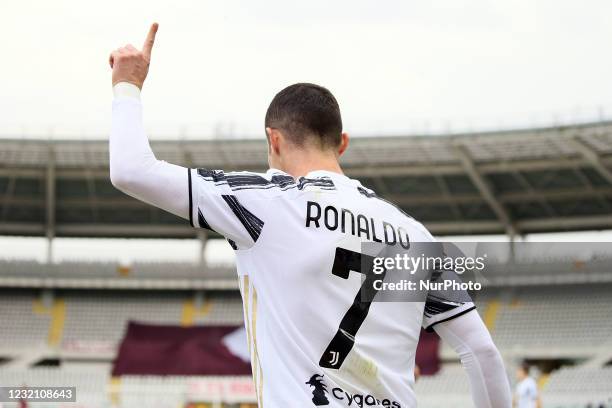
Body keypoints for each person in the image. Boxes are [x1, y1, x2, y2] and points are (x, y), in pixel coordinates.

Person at [108, 23, 512, 408]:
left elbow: (131, 171)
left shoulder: (267, 203)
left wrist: (127, 84)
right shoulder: (413, 234)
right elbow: (481, 352)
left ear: (275, 140)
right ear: (343, 144)